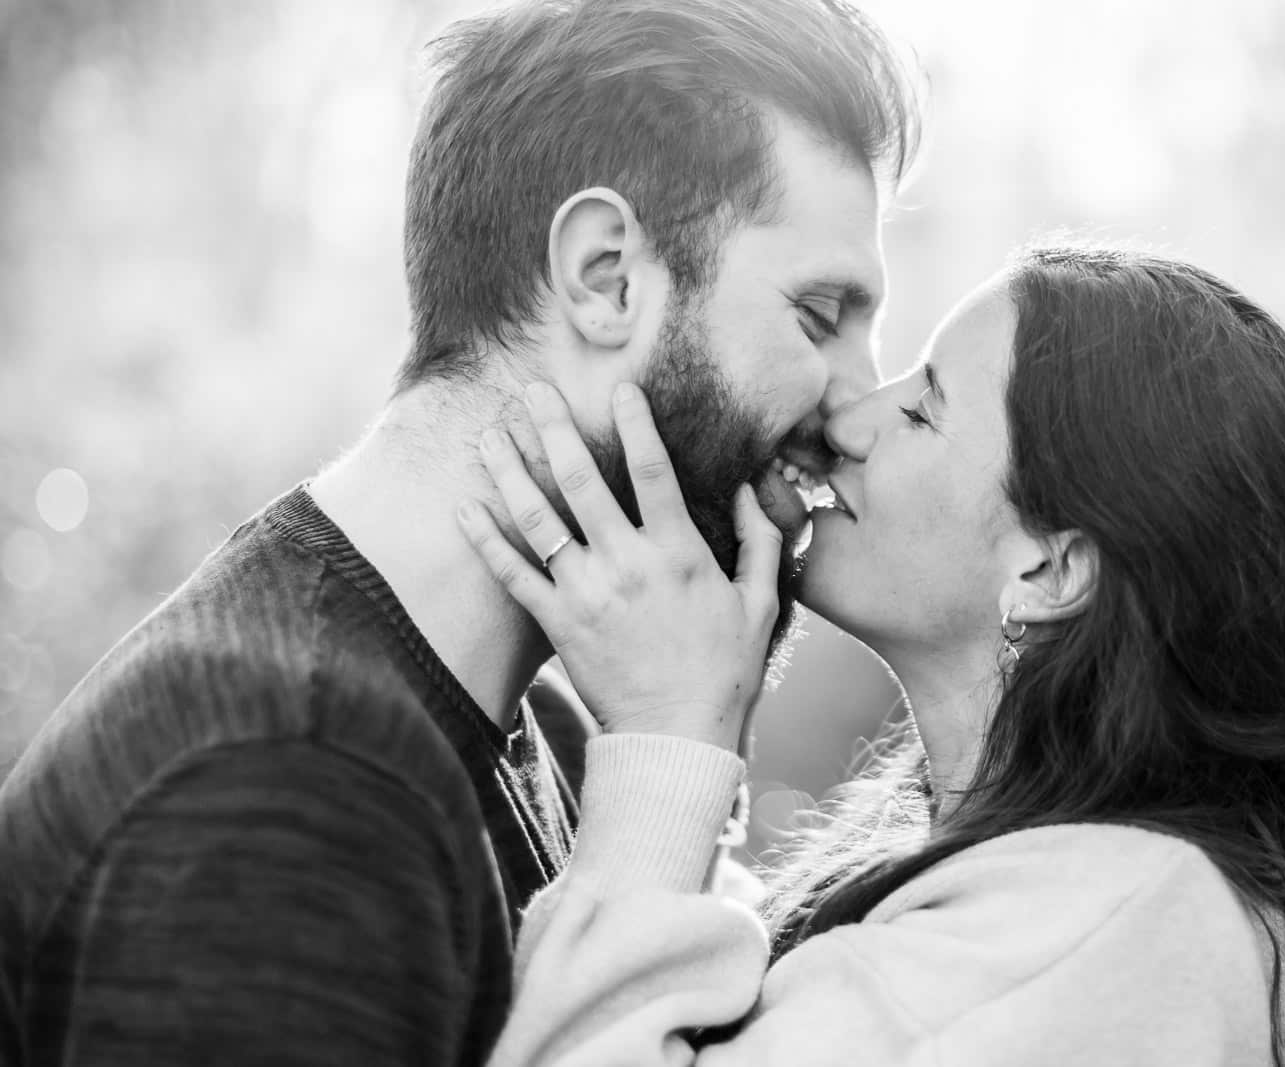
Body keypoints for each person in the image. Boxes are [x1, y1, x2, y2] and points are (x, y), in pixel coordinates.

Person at [0, 1, 916, 1062]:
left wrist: (677, 758)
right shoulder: (287, 787)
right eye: (818, 316)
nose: (858, 404)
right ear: (604, 274)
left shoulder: (559, 749)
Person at [461, 243, 1285, 1066]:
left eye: (926, 407)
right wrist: (705, 724)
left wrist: (668, 734)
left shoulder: (1068, 948)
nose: (853, 420)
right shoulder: (1105, 911)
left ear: (1051, 569)